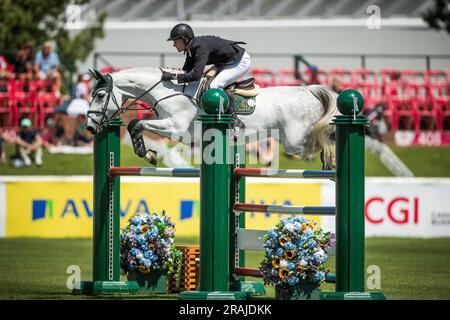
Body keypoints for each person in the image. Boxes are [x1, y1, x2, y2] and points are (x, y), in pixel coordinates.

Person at [162, 23, 251, 91]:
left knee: (214, 86)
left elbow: (196, 76)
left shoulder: (199, 48)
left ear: (185, 39)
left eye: (175, 41)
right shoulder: (190, 48)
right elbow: (186, 70)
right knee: (204, 82)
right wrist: (169, 74)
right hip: (225, 63)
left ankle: (229, 112)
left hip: (240, 62)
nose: (174, 45)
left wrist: (173, 76)